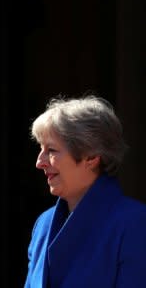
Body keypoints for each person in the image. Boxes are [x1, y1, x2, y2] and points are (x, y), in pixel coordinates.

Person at [24, 95, 146, 287]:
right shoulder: (44, 225)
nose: (40, 162)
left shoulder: (134, 224)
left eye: (52, 150)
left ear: (91, 156)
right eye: (41, 149)